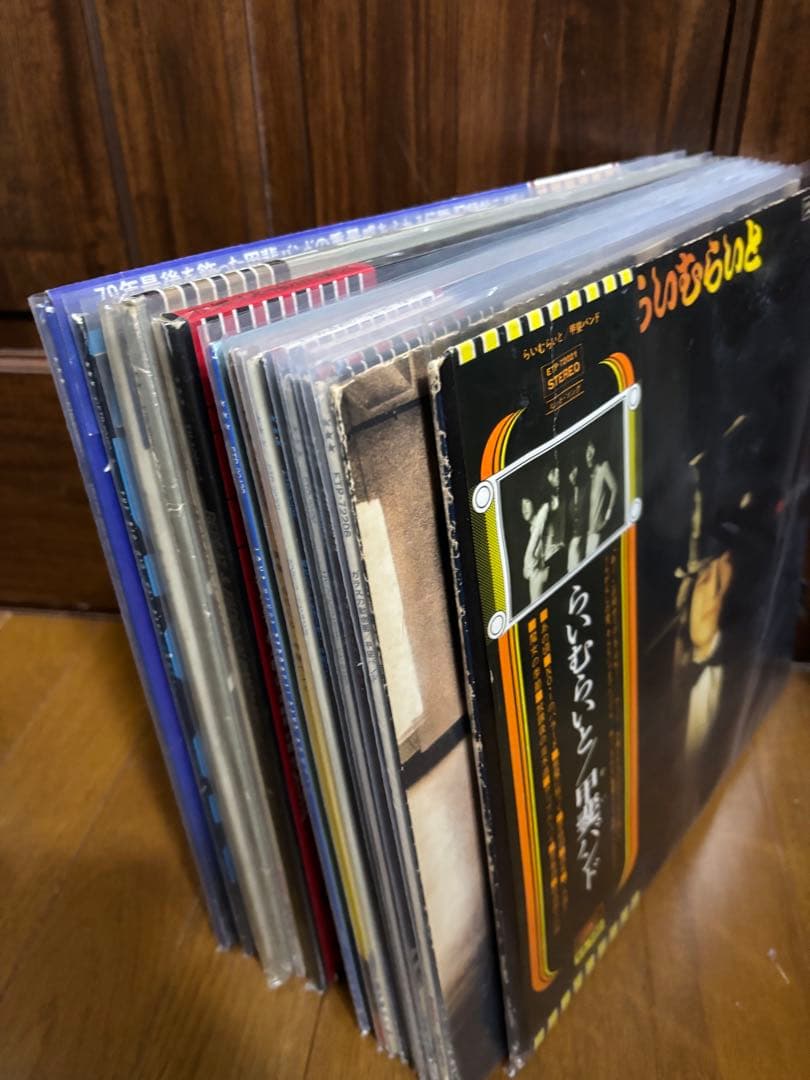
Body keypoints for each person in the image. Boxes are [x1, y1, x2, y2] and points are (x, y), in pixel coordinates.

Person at [584, 438, 618, 556]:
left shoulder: (604, 466)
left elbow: (615, 488)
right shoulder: (591, 474)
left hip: (598, 529)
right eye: (587, 449)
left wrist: (607, 517)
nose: (589, 453)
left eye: (592, 448)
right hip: (589, 532)